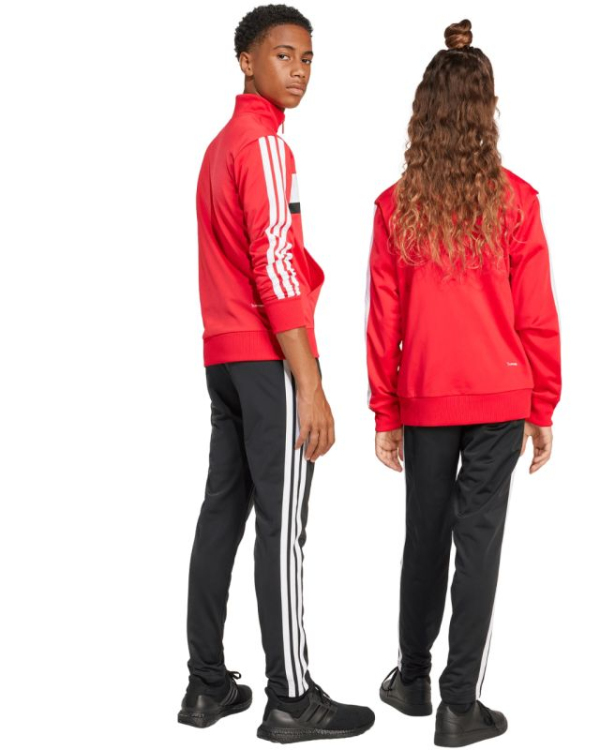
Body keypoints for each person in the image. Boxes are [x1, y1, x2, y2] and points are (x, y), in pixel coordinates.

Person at [179, 5, 374, 742]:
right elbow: (273, 263)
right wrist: (311, 384)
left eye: (308, 59)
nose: (298, 71)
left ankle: (206, 686)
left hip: (223, 356)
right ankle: (291, 698)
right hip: (267, 360)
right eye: (284, 56)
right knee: (282, 528)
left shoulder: (219, 146)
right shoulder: (262, 144)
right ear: (246, 61)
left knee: (221, 515)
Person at [365, 19, 562, 747]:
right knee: (478, 542)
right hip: (501, 395)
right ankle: (458, 705)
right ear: (488, 109)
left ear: (424, 110)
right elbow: (536, 315)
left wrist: (386, 409)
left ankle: (412, 678)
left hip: (424, 395)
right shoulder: (517, 202)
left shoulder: (396, 207)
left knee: (425, 533)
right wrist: (542, 404)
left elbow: (383, 320)